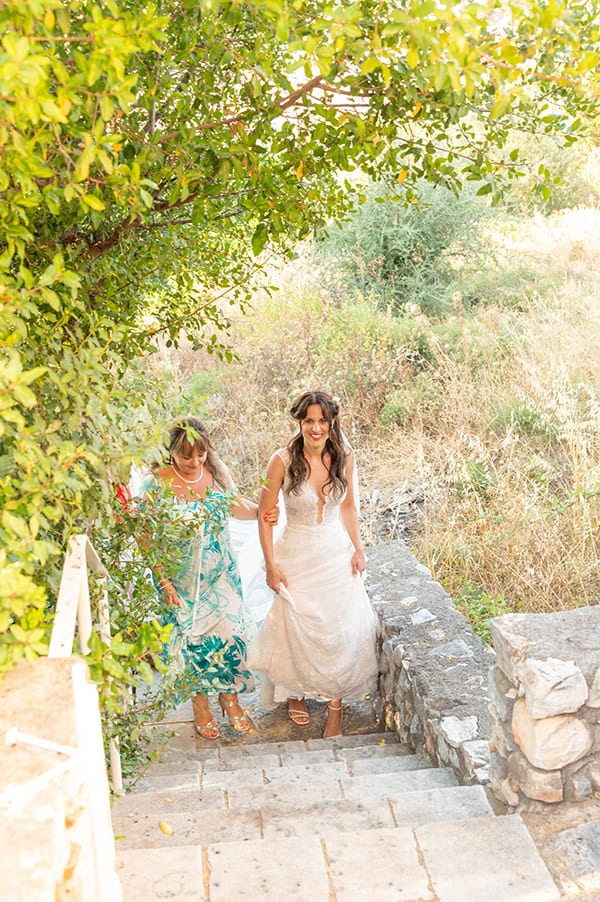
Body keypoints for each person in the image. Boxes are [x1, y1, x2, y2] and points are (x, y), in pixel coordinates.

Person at [248, 390, 379, 738]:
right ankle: (295, 691)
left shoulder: (345, 457)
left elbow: (349, 508)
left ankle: (335, 705)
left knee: (338, 630)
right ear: (300, 422)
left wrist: (358, 548)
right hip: (296, 553)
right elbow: (264, 515)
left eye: (323, 421)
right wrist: (271, 565)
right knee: (296, 627)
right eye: (309, 421)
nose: (316, 428)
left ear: (332, 422)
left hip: (334, 551)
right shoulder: (282, 460)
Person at [140, 416, 277, 740]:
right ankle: (200, 705)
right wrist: (163, 582)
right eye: (186, 455)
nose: (194, 461)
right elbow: (145, 537)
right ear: (171, 451)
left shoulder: (214, 474)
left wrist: (264, 510)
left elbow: (236, 506)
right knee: (190, 646)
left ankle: (229, 699)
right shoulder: (155, 484)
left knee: (230, 638)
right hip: (180, 583)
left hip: (222, 578)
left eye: (199, 454)